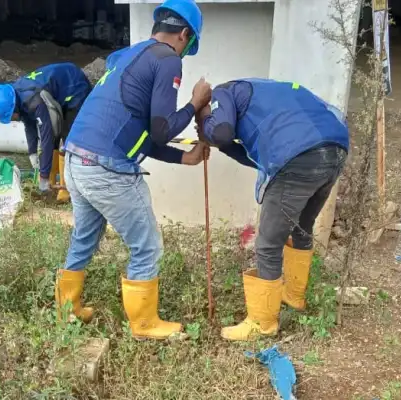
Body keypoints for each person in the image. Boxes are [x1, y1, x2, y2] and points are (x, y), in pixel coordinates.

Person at [56, 0, 212, 340]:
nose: (184, 51)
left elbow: (138, 131)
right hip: (105, 169)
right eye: (188, 43)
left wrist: (183, 158)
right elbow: (162, 129)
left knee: (86, 235)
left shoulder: (127, 57)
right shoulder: (168, 58)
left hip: (75, 159)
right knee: (147, 245)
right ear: (184, 34)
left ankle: (67, 309)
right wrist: (195, 104)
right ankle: (144, 324)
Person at [196, 78, 349, 341]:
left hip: (298, 153)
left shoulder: (224, 91)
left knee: (268, 242)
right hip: (334, 148)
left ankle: (262, 323)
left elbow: (220, 131)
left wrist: (204, 123)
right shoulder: (268, 93)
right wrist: (223, 146)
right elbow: (256, 158)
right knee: (302, 225)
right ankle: (294, 296)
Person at [0, 63, 92, 202]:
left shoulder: (34, 101)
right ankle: (51, 184)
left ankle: (67, 190)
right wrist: (32, 152)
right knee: (54, 138)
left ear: (12, 105)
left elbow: (47, 136)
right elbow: (29, 124)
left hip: (74, 87)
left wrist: (43, 176)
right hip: (57, 91)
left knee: (67, 140)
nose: (12, 117)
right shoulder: (17, 95)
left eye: (11, 114)